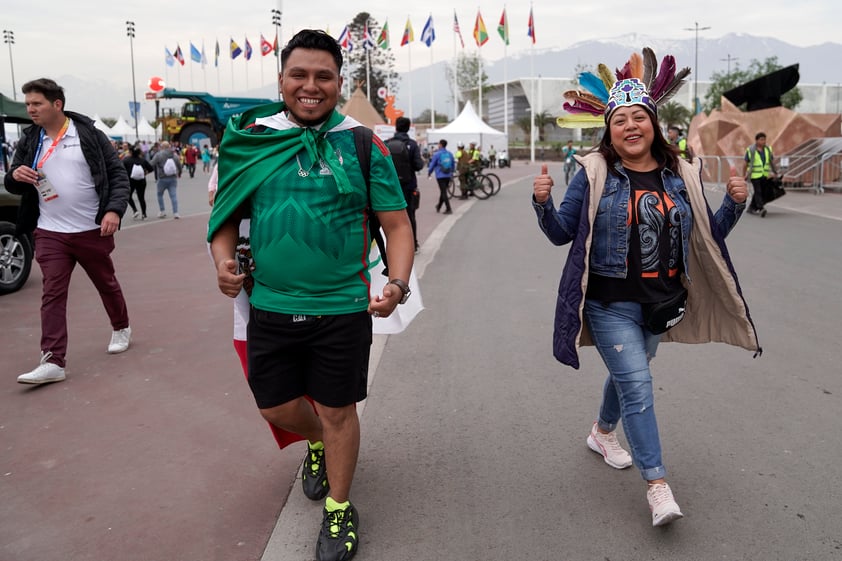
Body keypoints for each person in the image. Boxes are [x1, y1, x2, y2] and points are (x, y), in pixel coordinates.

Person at [208, 29, 414, 561]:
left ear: (338, 83)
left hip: (343, 307)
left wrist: (396, 283)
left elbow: (396, 224)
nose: (310, 86)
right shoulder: (253, 138)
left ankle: (340, 510)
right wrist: (223, 265)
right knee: (275, 407)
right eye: (299, 74)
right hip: (270, 306)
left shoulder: (364, 142)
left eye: (323, 76)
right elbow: (224, 216)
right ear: (281, 79)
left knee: (339, 409)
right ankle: (318, 443)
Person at [533, 66, 760, 527]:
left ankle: (601, 432)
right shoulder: (593, 172)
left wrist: (735, 203)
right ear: (609, 132)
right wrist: (542, 202)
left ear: (653, 124)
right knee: (637, 385)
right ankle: (657, 486)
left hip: (661, 305)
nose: (630, 126)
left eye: (639, 117)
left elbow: (707, 238)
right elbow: (560, 233)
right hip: (609, 303)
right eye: (620, 120)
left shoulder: (682, 172)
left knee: (628, 375)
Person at [4, 78, 132, 385]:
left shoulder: (88, 133)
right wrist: (15, 174)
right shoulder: (30, 138)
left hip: (91, 229)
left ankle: (121, 326)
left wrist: (113, 210)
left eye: (37, 103)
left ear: (56, 104)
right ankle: (53, 360)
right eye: (28, 104)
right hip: (50, 231)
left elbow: (117, 175)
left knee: (106, 283)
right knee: (52, 293)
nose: (30, 109)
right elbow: (12, 181)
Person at [385, 116, 424, 253]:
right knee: (410, 215)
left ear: (396, 127)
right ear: (408, 128)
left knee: (388, 216)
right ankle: (413, 244)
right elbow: (418, 166)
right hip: (408, 186)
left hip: (390, 187)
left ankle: (391, 245)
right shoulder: (412, 145)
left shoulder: (386, 143)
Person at [744, 132, 779, 217]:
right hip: (754, 175)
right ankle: (760, 208)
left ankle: (751, 208)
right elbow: (745, 163)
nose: (764, 141)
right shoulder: (751, 150)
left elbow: (771, 162)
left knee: (760, 191)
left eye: (764, 139)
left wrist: (775, 172)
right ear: (756, 140)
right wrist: (744, 174)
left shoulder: (767, 149)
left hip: (764, 175)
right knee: (758, 191)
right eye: (761, 139)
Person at [150, 140, 182, 219]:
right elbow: (179, 165)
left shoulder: (158, 155)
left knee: (159, 194)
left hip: (162, 178)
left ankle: (162, 211)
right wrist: (179, 173)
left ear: (162, 147)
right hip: (173, 178)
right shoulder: (174, 155)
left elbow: (152, 163)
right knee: (173, 195)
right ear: (169, 147)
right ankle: (176, 212)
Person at [122, 146, 153, 220]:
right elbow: (151, 168)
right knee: (141, 198)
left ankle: (135, 210)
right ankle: (144, 214)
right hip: (141, 181)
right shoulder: (142, 160)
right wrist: (145, 173)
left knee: (128, 196)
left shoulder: (126, 160)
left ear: (131, 152)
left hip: (131, 181)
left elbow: (121, 168)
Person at [427, 138, 455, 214]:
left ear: (441, 145)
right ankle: (439, 206)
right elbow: (453, 163)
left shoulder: (437, 154)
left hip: (440, 175)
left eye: (439, 144)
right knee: (443, 191)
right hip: (448, 175)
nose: (438, 145)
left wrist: (429, 172)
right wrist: (452, 172)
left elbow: (432, 164)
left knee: (443, 192)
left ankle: (448, 208)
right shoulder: (449, 153)